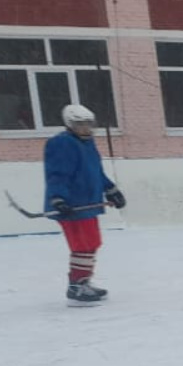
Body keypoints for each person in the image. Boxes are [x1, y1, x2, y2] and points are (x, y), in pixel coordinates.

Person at [44, 104, 125, 306]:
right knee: (83, 245)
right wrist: (58, 198)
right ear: (69, 124)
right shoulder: (62, 143)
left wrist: (111, 190)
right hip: (72, 206)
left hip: (88, 203)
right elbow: (57, 174)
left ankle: (83, 281)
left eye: (89, 124)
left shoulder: (88, 143)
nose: (86, 128)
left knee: (92, 243)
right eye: (80, 124)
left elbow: (96, 172)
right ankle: (76, 286)